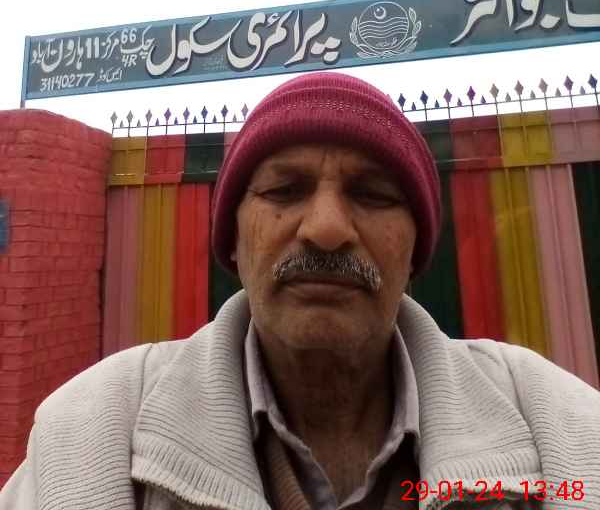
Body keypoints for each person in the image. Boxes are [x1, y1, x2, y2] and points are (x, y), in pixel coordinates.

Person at [1, 72, 599, 510]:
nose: (327, 229)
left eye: (373, 195)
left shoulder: (560, 425)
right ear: (234, 241)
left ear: (415, 251)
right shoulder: (92, 430)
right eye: (284, 191)